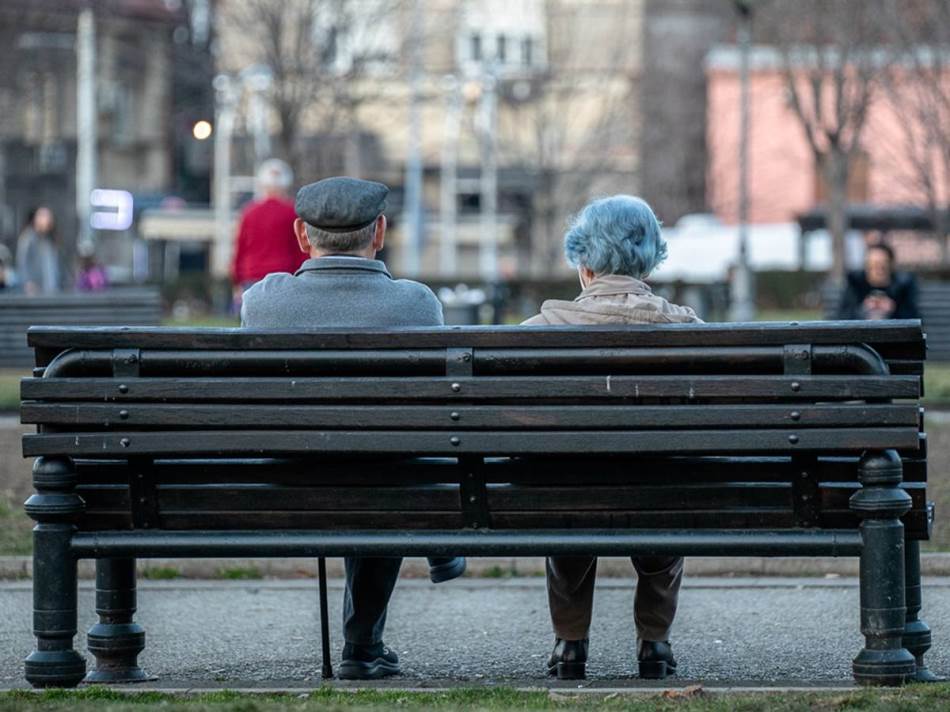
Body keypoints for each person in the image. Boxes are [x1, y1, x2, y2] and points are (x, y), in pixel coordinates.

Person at [240, 176, 466, 680]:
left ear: (302, 235)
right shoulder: (416, 304)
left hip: (285, 476)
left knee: (376, 460)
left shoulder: (263, 301)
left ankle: (365, 644)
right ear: (379, 231)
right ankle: (364, 643)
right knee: (388, 461)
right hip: (389, 476)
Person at [523, 195, 701, 681]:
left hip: (565, 494)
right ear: (650, 261)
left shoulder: (538, 331)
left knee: (568, 502)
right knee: (664, 501)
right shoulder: (690, 330)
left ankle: (569, 644)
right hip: (665, 491)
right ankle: (655, 643)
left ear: (584, 265)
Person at [230, 159, 305, 308]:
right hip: (285, 276)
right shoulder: (293, 213)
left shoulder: (249, 212)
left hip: (252, 277)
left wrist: (237, 280)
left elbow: (240, 248)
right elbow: (301, 249)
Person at [835, 241, 920, 320]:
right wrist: (863, 310)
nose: (878, 270)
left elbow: (914, 319)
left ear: (891, 265)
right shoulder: (855, 284)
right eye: (873, 265)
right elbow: (842, 318)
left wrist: (893, 309)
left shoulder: (903, 286)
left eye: (882, 266)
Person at [16, 206, 60, 295]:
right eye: (43, 216)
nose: (47, 220)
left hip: (51, 291)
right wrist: (27, 282)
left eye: (49, 217)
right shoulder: (28, 238)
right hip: (34, 292)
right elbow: (21, 262)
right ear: (36, 218)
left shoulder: (50, 240)